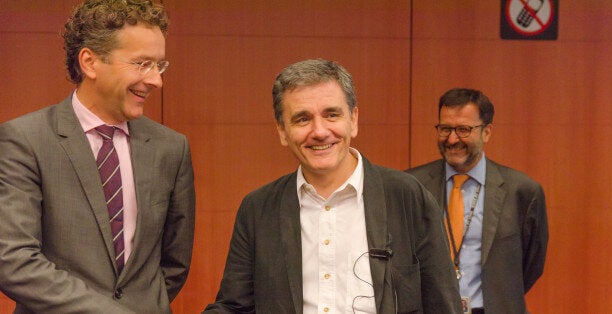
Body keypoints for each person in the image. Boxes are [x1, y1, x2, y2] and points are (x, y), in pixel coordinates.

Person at [203, 59, 461, 313]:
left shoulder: (407, 197)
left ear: (353, 119)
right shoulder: (258, 209)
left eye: (332, 115)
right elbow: (234, 307)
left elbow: (442, 304)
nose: (319, 131)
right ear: (282, 131)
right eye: (302, 119)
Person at [0, 0, 195, 313]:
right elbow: (13, 260)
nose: (156, 80)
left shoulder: (171, 148)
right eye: (142, 64)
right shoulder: (25, 140)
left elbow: (173, 264)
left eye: (159, 65)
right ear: (90, 62)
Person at [406, 88, 548, 314]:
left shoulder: (522, 191)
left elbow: (531, 265)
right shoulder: (411, 186)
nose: (452, 139)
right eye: (445, 129)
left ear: (487, 132)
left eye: (463, 129)